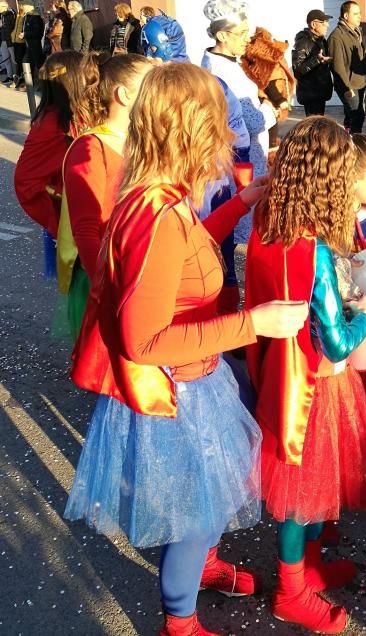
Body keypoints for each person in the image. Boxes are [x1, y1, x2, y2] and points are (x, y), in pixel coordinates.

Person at [65, 62, 309, 636]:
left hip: (196, 377)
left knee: (212, 498)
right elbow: (143, 340)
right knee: (194, 513)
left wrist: (242, 200)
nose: (227, 137)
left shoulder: (160, 196)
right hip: (176, 392)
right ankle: (180, 623)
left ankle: (201, 568)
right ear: (190, 130)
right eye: (218, 124)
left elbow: (191, 253)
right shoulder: (156, 213)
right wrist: (257, 323)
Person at [245, 116, 366, 634]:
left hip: (281, 374)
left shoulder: (270, 220)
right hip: (315, 385)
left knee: (308, 485)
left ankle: (306, 570)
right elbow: (335, 338)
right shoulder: (315, 249)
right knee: (301, 491)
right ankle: (291, 588)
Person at [56, 54, 154, 338]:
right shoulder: (90, 148)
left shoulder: (139, 140)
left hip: (137, 267)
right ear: (124, 95)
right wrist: (105, 288)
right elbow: (86, 230)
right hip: (106, 275)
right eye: (152, 88)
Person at [201, 0, 277, 243]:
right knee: (242, 230)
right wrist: (271, 108)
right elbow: (253, 121)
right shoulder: (222, 71)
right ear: (222, 36)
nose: (247, 39)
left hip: (242, 157)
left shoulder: (223, 63)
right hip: (241, 161)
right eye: (242, 33)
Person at [13, 52, 100, 240]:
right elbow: (26, 181)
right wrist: (59, 215)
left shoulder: (71, 116)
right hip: (71, 223)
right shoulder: (53, 124)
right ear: (73, 81)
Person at [241, 27, 296, 147]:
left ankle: (270, 150)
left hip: (271, 100)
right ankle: (270, 153)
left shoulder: (270, 58)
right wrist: (279, 100)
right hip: (267, 101)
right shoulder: (264, 60)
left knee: (270, 129)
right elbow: (269, 82)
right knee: (268, 130)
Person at [329, 0, 366, 132]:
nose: (360, 16)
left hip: (360, 82)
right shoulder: (337, 36)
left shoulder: (358, 32)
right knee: (357, 116)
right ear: (346, 16)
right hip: (349, 85)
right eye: (356, 14)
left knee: (351, 116)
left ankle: (348, 141)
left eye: (360, 13)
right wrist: (346, 87)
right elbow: (337, 66)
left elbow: (365, 57)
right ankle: (355, 146)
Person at [292, 9, 333, 117]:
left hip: (320, 93)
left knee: (319, 125)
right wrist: (317, 60)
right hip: (310, 95)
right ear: (314, 24)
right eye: (324, 23)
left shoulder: (321, 41)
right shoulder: (302, 42)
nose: (327, 25)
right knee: (313, 127)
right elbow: (298, 70)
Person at [22, 0, 46, 77]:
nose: (22, 7)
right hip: (29, 44)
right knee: (27, 63)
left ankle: (42, 82)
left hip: (36, 45)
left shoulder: (36, 17)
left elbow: (37, 32)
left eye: (24, 5)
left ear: (29, 7)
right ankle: (30, 83)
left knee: (39, 64)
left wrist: (25, 34)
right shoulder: (27, 16)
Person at [0, 0, 17, 80]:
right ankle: (9, 76)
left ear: (4, 7)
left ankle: (16, 76)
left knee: (13, 60)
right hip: (3, 40)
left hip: (11, 40)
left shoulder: (11, 14)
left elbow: (14, 28)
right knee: (5, 59)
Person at [11, 1, 28, 87]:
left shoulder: (26, 16)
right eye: (18, 4)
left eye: (20, 5)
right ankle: (18, 78)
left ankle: (21, 79)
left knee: (22, 61)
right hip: (16, 41)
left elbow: (25, 28)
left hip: (22, 42)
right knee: (18, 61)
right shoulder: (18, 15)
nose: (19, 6)